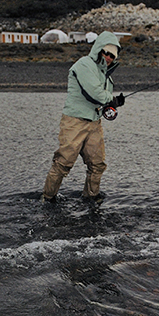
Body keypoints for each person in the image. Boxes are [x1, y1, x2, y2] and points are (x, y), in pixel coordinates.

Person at [42, 30, 124, 204]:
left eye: (112, 55)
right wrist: (113, 99)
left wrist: (113, 105)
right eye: (106, 52)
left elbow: (102, 101)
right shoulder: (84, 64)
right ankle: (47, 199)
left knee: (97, 165)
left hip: (94, 123)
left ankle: (91, 198)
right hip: (74, 122)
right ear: (99, 49)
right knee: (63, 163)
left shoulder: (107, 78)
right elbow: (94, 93)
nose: (109, 57)